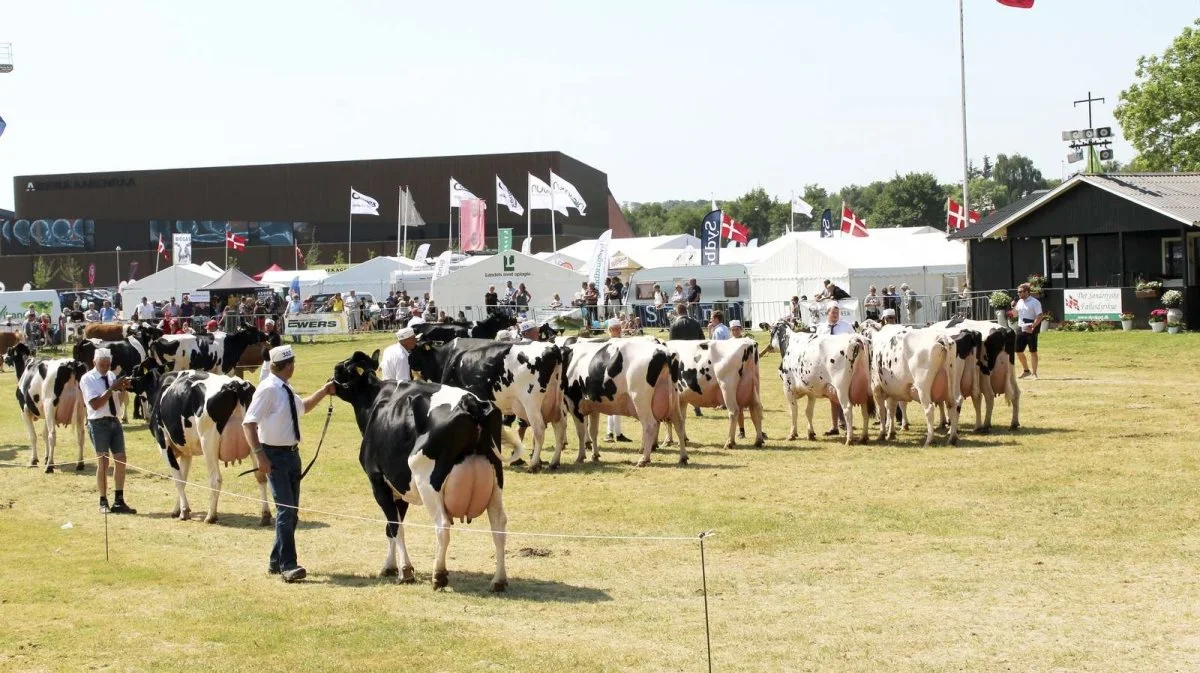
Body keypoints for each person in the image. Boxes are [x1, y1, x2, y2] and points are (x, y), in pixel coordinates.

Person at [242, 345, 337, 583]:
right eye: (293, 363)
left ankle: (276, 561)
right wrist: (260, 455)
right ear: (288, 365)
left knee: (291, 513)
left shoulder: (284, 387)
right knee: (286, 510)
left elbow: (302, 407)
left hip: (291, 455)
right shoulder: (269, 389)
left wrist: (324, 392)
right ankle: (288, 565)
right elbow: (249, 423)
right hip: (275, 455)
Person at [80, 349, 137, 514]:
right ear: (94, 363)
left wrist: (123, 388)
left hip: (114, 421)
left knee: (121, 459)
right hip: (98, 423)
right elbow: (95, 404)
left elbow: (116, 398)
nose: (106, 368)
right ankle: (103, 500)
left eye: (108, 365)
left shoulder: (111, 376)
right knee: (103, 462)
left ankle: (119, 499)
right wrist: (112, 388)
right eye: (102, 365)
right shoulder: (87, 379)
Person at [601, 319, 632, 443]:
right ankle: (610, 433)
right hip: (609, 377)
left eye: (618, 328)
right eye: (614, 329)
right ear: (609, 331)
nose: (617, 331)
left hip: (621, 377)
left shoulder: (624, 343)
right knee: (611, 406)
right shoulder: (607, 344)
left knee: (618, 406)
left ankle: (618, 433)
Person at [1012, 283, 1043, 379]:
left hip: (1031, 327)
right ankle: (1026, 370)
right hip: (1021, 327)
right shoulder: (1019, 302)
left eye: (1020, 292)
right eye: (1018, 292)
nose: (1019, 294)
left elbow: (1040, 315)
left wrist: (1033, 326)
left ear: (1027, 292)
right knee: (1018, 350)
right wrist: (1013, 307)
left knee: (1033, 351)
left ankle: (1034, 373)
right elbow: (1015, 315)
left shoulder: (1035, 302)